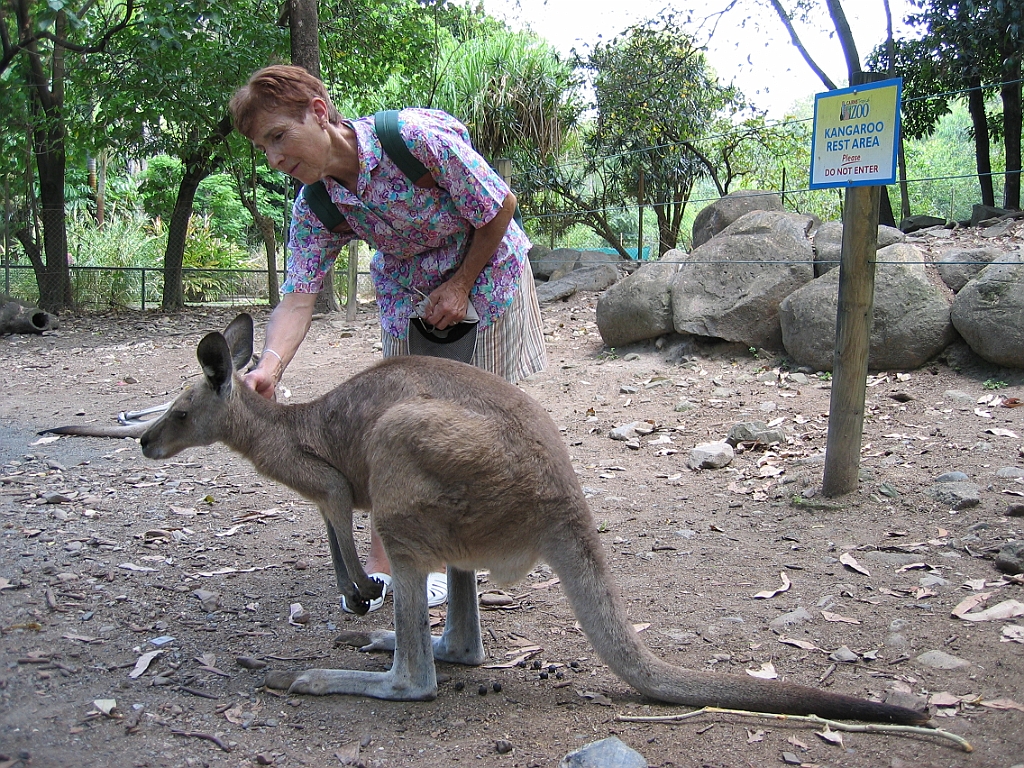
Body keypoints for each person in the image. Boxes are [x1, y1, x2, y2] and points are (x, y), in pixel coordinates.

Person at [229, 65, 547, 612]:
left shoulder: (412, 141)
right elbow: (299, 295)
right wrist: (269, 369)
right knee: (398, 428)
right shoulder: (316, 206)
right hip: (409, 294)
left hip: (486, 275)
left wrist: (461, 283)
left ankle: (463, 555)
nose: (276, 159)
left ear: (319, 111)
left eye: (279, 136)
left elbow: (499, 207)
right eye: (264, 148)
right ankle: (391, 566)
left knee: (469, 421)